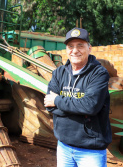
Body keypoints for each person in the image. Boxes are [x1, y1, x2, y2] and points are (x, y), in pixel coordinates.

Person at [44, 27, 112, 167]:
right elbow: (48, 105)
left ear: (89, 48)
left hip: (91, 152)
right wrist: (78, 107)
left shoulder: (99, 74)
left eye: (80, 45)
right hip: (63, 147)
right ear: (66, 49)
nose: (75, 50)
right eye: (70, 46)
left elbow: (90, 106)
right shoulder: (59, 73)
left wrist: (57, 100)